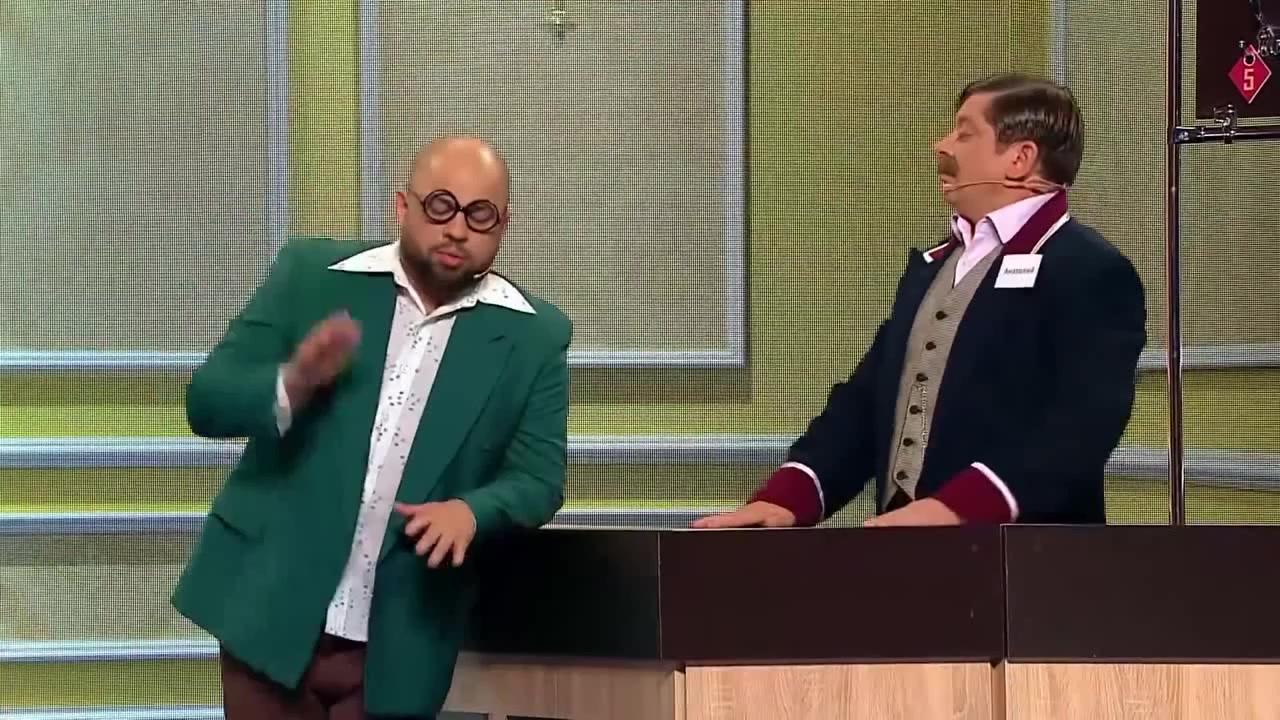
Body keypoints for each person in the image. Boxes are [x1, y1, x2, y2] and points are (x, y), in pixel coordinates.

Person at [172, 137, 572, 719]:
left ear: (503, 225)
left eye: (479, 215)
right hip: (270, 611)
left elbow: (538, 479)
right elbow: (206, 402)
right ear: (402, 206)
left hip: (400, 638)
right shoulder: (312, 276)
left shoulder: (533, 337)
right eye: (440, 206)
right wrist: (292, 383)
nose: (457, 229)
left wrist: (472, 512)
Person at [695, 73, 1146, 530]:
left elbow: (1082, 423)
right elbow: (867, 403)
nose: (942, 146)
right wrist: (789, 497)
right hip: (905, 557)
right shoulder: (932, 267)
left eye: (964, 133)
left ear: (1019, 158)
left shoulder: (1088, 269)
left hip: (1025, 560)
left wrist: (956, 508)